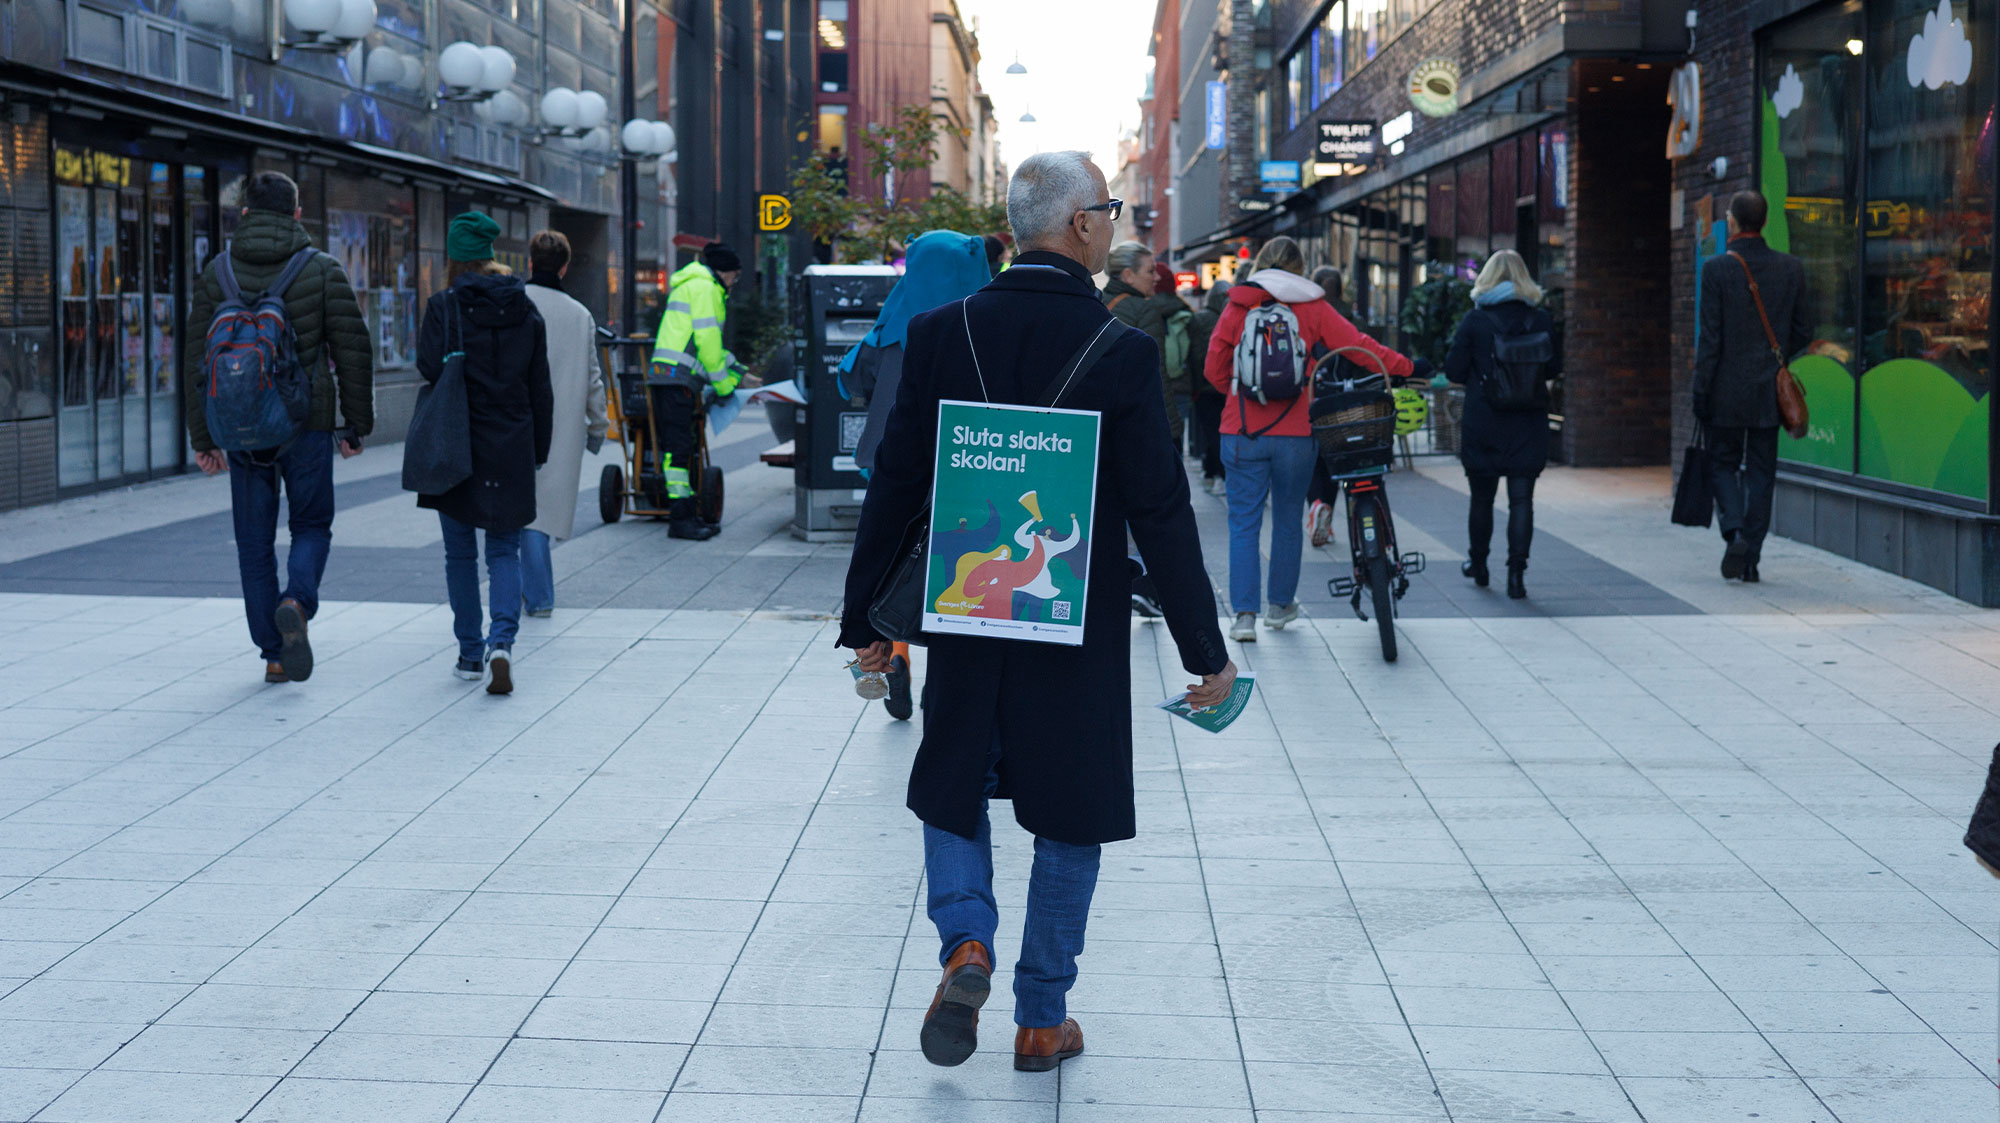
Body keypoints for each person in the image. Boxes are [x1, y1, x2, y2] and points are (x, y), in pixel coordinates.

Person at [841, 150, 1235, 1075]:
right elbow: (1161, 511)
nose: (1111, 220)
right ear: (1081, 226)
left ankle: (965, 943)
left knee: (952, 781)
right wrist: (1203, 649)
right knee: (1072, 808)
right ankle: (1039, 1016)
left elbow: (896, 481)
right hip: (1074, 615)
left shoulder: (942, 333)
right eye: (1108, 207)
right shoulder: (1123, 352)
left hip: (970, 602)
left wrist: (865, 616)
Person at [185, 171, 372, 684]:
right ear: (296, 216)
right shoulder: (321, 269)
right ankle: (297, 600)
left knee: (253, 542)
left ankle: (273, 653)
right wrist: (354, 425)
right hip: (306, 426)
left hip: (243, 430)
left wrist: (204, 438)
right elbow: (353, 350)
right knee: (311, 525)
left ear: (243, 214)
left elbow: (194, 359)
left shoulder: (216, 273)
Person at [1205, 236, 1415, 643]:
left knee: (1243, 525)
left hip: (1242, 429)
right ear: (1300, 267)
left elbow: (1214, 368)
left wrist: (1240, 389)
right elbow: (1359, 347)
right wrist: (1404, 365)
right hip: (1297, 432)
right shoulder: (1313, 306)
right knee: (1287, 520)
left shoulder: (1239, 303)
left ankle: (1244, 617)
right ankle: (1280, 606)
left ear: (1263, 263)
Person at [846, 230, 994, 721]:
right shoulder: (974, 323)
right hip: (961, 469)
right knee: (951, 566)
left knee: (895, 564)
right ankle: (941, 676)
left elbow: (853, 377)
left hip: (892, 467)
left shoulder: (895, 318)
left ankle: (896, 658)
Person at [415, 213, 553, 695]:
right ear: (492, 254)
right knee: (503, 549)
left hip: (456, 443)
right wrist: (539, 449)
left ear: (455, 256)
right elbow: (541, 386)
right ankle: (502, 643)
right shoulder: (524, 307)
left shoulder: (443, 306)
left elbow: (429, 367)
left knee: (459, 553)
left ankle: (470, 653)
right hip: (511, 442)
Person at [1694, 190, 1813, 583]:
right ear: (1762, 222)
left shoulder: (1715, 271)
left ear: (1732, 222)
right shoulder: (1791, 268)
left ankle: (1735, 533)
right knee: (1762, 472)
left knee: (1722, 463)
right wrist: (1776, 361)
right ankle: (1751, 558)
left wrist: (1701, 390)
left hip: (1725, 389)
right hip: (1768, 391)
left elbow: (1710, 340)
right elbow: (1803, 330)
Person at [1444, 249, 1560, 600]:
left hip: (1485, 422)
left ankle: (1478, 565)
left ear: (1487, 279)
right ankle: (1516, 576)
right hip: (1528, 421)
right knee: (1522, 500)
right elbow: (1553, 370)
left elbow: (1452, 371)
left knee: (1482, 498)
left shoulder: (1475, 321)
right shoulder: (1540, 320)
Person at [521, 230, 610, 617]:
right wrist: (598, 426)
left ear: (529, 263)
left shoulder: (514, 303)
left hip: (515, 420)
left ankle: (534, 594)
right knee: (543, 512)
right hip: (561, 427)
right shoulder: (580, 315)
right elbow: (593, 377)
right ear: (564, 267)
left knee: (524, 511)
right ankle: (538, 595)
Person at [650, 242, 745, 541]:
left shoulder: (693, 284)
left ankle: (686, 514)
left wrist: (739, 371)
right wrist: (725, 386)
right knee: (679, 449)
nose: (734, 283)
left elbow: (699, 342)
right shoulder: (707, 290)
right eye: (735, 276)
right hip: (679, 380)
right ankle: (680, 520)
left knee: (681, 446)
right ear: (725, 272)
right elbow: (707, 343)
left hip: (669, 376)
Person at [1101, 241, 1184, 452]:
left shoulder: (1095, 301)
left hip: (1100, 413)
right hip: (1136, 415)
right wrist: (1172, 427)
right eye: (1151, 271)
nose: (1157, 277)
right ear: (1128, 275)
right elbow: (1157, 372)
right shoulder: (1145, 310)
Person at [1304, 266, 1351, 547]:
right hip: (1342, 400)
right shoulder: (1349, 316)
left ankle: (1316, 506)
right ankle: (1328, 518)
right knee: (1333, 461)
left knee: (1313, 461)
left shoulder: (1309, 316)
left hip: (1312, 398)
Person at [1187, 282, 1231, 496]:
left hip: (1205, 388)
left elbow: (1194, 356)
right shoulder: (1233, 316)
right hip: (1228, 386)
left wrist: (1194, 385)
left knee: (1211, 433)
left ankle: (1214, 473)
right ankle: (1222, 474)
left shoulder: (1199, 319)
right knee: (1226, 432)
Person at [1150, 260, 1196, 455]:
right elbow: (1197, 355)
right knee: (1175, 439)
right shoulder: (1185, 310)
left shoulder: (1145, 308)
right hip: (1182, 386)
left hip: (1153, 386)